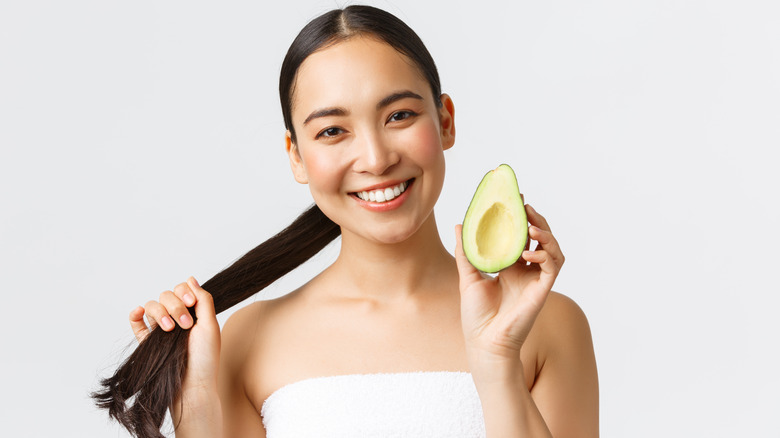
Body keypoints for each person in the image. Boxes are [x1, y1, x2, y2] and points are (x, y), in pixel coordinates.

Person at [95, 5, 598, 437]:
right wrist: (198, 410)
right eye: (333, 130)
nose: (376, 158)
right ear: (296, 155)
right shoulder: (248, 339)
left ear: (444, 120)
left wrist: (497, 362)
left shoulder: (548, 326)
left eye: (399, 115)